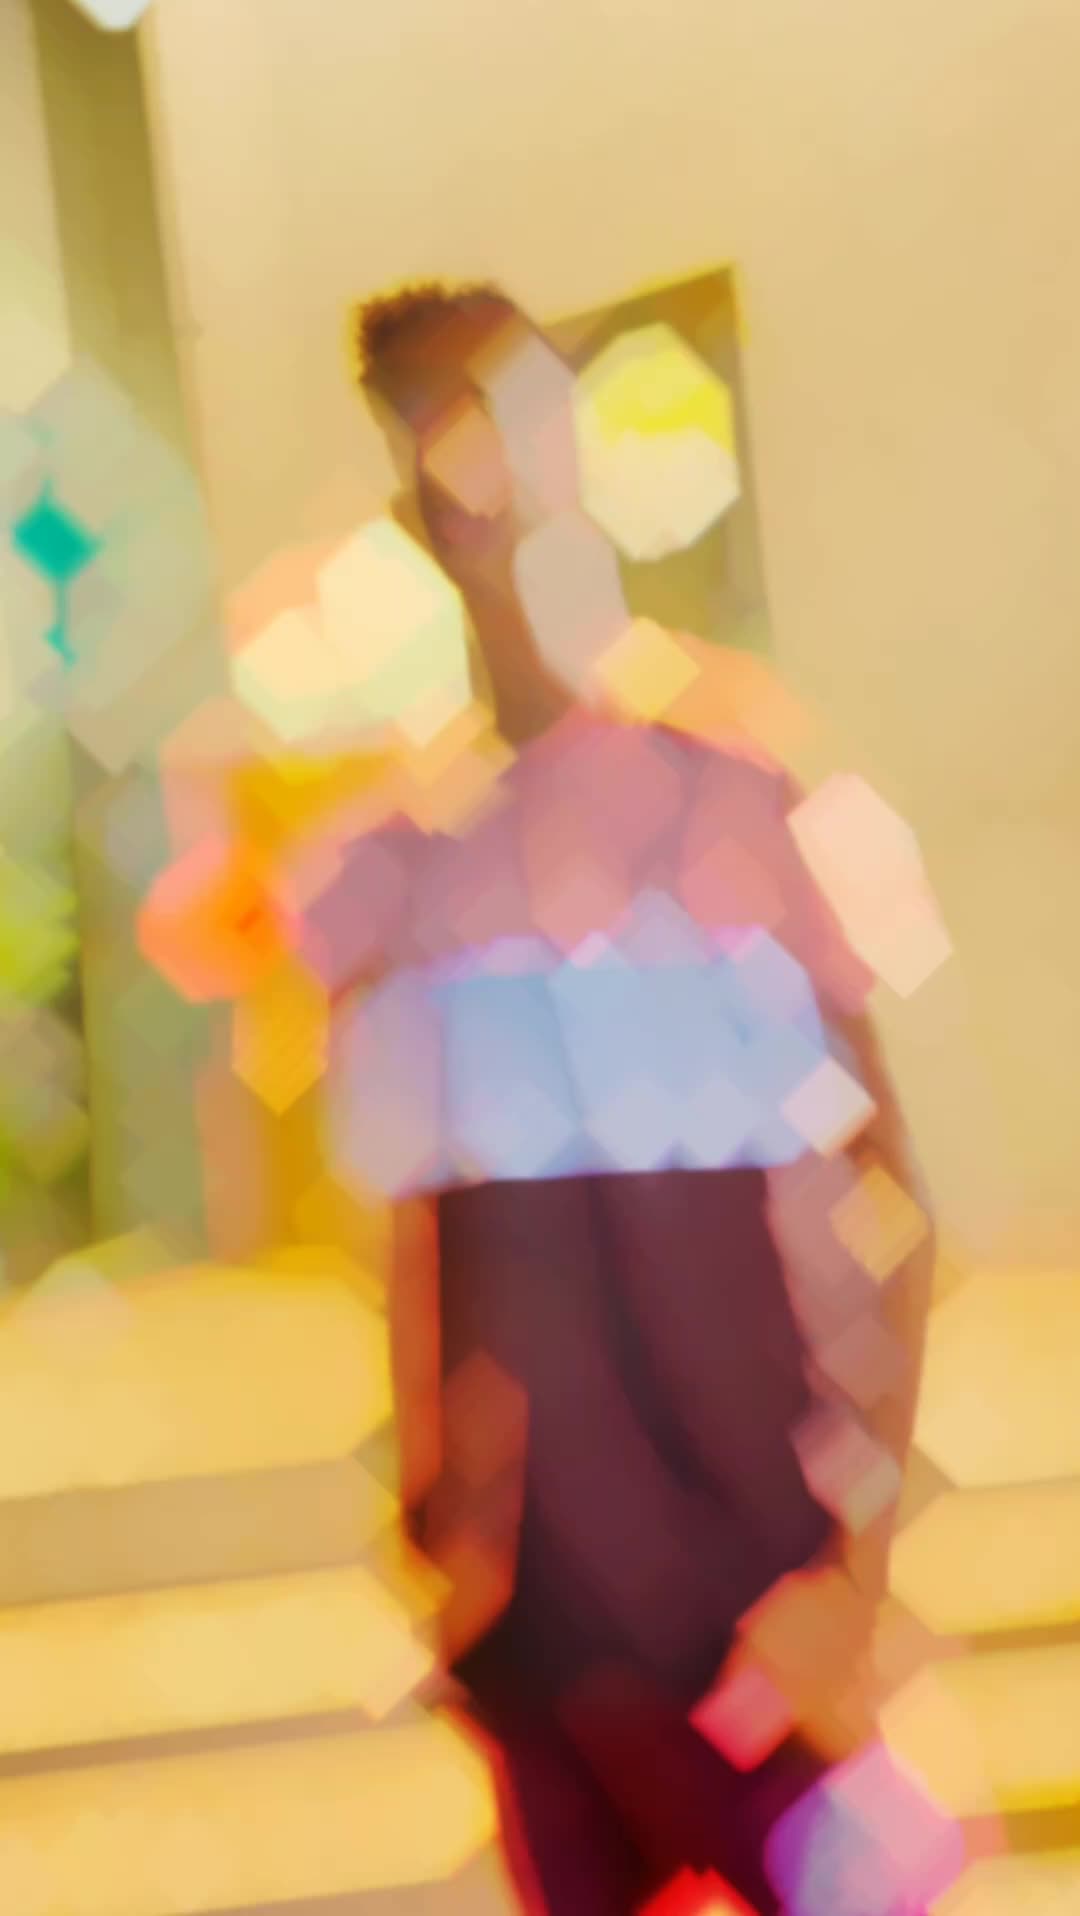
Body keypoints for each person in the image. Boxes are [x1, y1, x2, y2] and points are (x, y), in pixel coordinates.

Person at [310, 280, 937, 1914]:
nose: (466, 486)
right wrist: (442, 1548)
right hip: (549, 1636)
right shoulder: (407, 875)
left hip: (755, 1596)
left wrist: (854, 1565)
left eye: (489, 430)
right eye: (424, 445)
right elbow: (429, 1247)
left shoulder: (738, 793)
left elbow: (896, 1194)